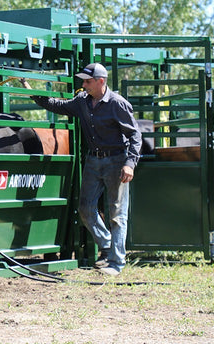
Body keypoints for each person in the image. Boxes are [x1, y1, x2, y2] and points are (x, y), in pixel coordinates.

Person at [20, 62, 142, 276]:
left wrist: (129, 163)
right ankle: (106, 245)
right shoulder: (82, 102)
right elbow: (57, 105)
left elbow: (135, 136)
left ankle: (116, 262)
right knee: (85, 209)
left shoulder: (117, 104)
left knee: (117, 213)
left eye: (87, 81)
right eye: (83, 81)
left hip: (116, 160)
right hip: (94, 161)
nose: (83, 85)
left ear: (100, 81)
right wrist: (31, 91)